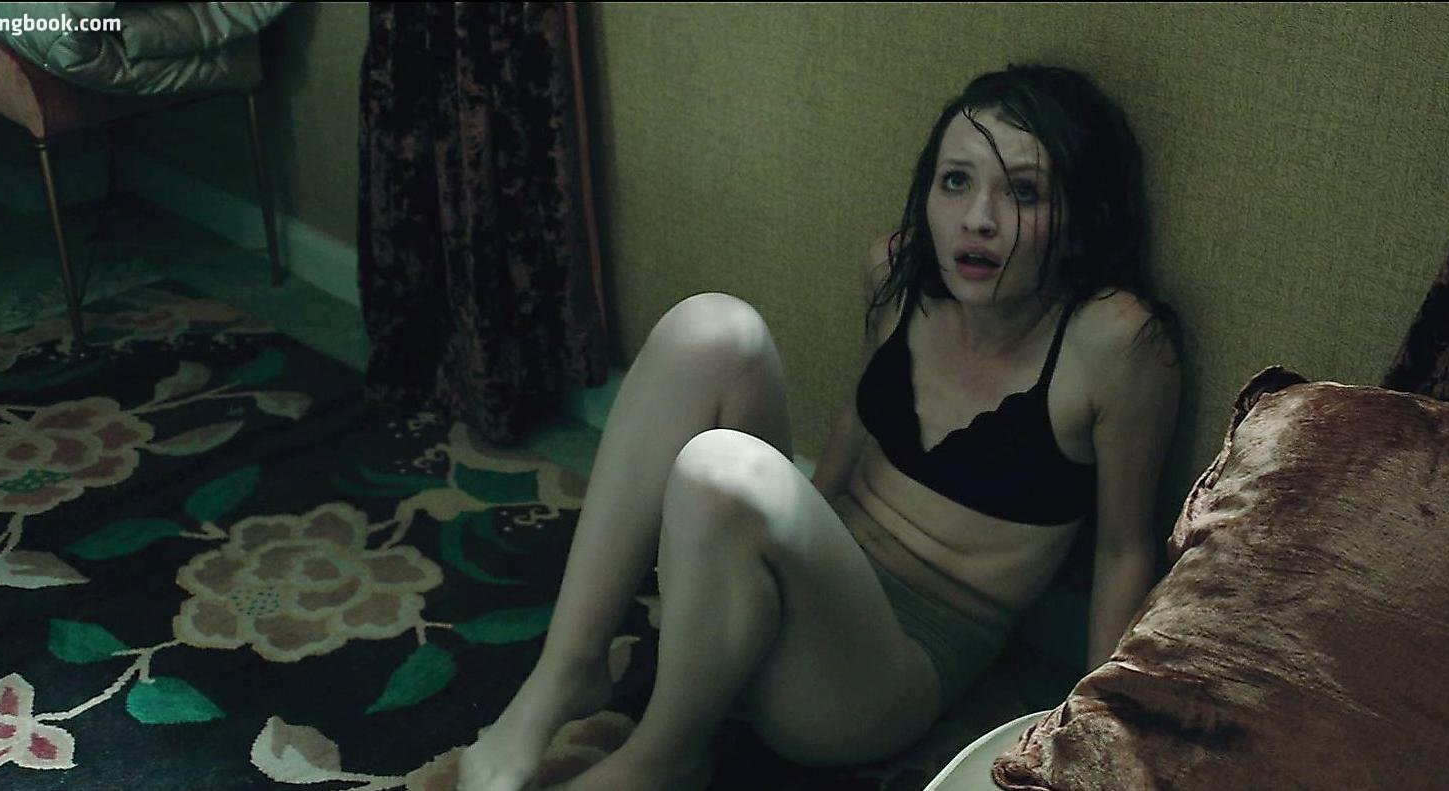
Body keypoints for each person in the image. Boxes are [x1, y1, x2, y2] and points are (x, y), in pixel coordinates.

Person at [456, 63, 1182, 791]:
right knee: (710, 328)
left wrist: (1092, 747)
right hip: (802, 587)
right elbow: (856, 422)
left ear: (1079, 216)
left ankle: (663, 756)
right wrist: (770, 543)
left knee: (719, 469)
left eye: (1022, 192)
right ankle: (565, 672)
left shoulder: (1115, 344)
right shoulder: (901, 272)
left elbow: (1123, 547)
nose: (978, 219)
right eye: (956, 181)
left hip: (876, 681)